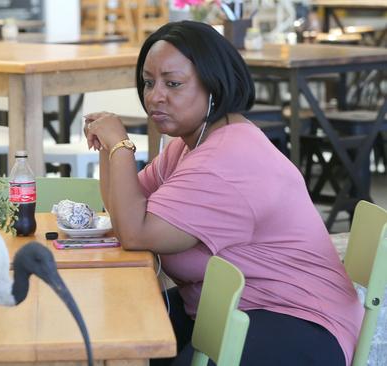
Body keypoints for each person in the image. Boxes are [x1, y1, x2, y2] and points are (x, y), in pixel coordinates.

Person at [83, 21, 362, 366]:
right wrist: (109, 147)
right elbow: (124, 206)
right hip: (228, 311)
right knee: (111, 339)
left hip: (296, 322)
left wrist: (121, 145)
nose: (155, 96)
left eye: (173, 84)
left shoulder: (226, 159)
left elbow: (135, 232)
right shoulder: (190, 145)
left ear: (213, 86)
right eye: (148, 82)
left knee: (125, 344)